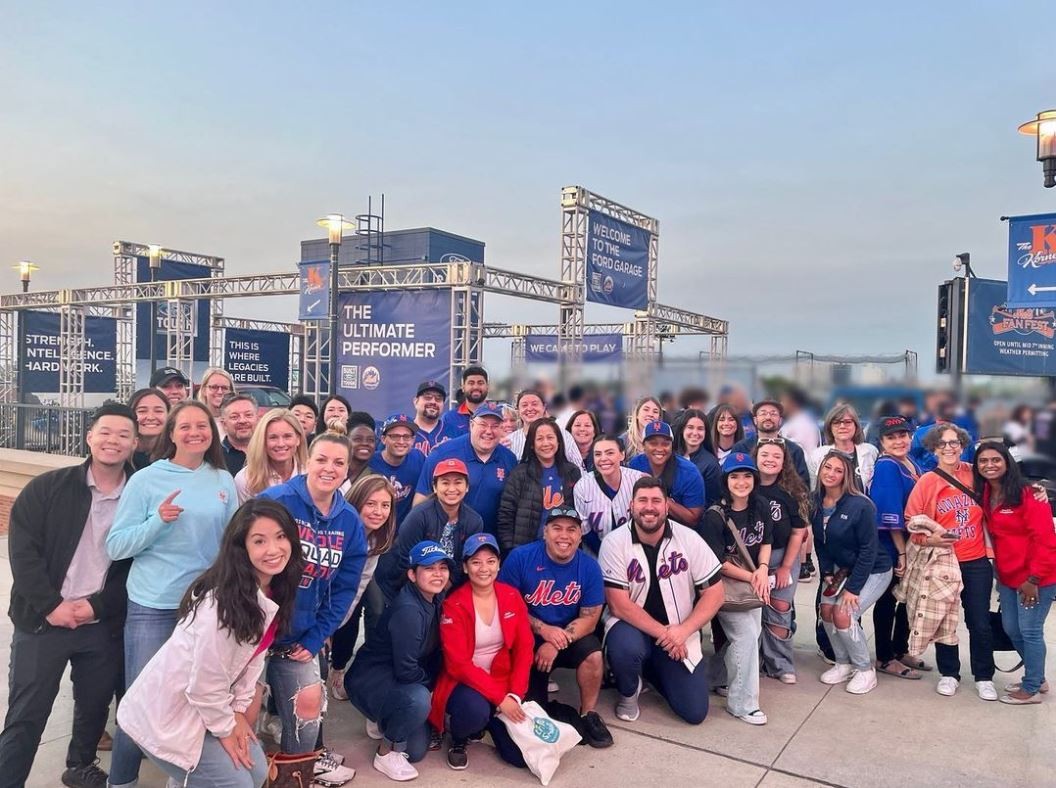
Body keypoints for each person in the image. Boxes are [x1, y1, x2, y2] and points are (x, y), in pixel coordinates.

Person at [115, 499, 303, 788]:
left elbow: (253, 662)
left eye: (281, 537)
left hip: (209, 707)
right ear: (242, 548)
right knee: (237, 783)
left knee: (256, 771)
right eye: (259, 540)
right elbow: (204, 684)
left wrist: (238, 714)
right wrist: (227, 729)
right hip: (168, 715)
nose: (274, 549)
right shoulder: (221, 605)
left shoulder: (273, 591)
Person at [0, 402, 136, 788]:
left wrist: (95, 606)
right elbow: (23, 552)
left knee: (93, 706)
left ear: (134, 443)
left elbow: (137, 567)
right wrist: (51, 606)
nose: (113, 440)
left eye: (123, 434)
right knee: (28, 712)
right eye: (105, 432)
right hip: (43, 622)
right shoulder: (48, 488)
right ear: (90, 436)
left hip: (99, 622)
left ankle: (80, 765)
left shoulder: (140, 497)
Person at [105, 400, 239, 788]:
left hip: (205, 607)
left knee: (198, 700)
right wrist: (156, 522)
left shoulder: (222, 479)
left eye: (203, 426)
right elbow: (117, 546)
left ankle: (181, 776)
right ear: (171, 433)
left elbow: (232, 543)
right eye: (185, 426)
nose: (195, 433)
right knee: (140, 704)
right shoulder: (147, 479)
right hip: (154, 605)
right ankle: (122, 781)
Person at [256, 426, 367, 780]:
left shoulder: (349, 521)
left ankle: (295, 774)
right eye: (321, 459)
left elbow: (345, 589)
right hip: (254, 633)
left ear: (348, 469)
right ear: (307, 460)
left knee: (308, 714)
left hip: (301, 636)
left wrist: (318, 636)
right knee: (242, 712)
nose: (329, 468)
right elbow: (239, 563)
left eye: (339, 462)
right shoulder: (275, 501)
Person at [600, 477, 725, 725]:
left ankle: (651, 669)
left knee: (694, 711)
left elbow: (716, 593)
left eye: (656, 500)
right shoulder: (614, 542)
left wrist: (684, 631)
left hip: (679, 629)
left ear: (667, 506)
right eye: (642, 500)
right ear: (631, 506)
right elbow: (618, 605)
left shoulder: (688, 538)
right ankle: (628, 692)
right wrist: (668, 635)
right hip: (632, 628)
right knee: (626, 648)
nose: (649, 507)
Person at [498, 508, 613, 747]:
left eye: (571, 529)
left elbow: (590, 619)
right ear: (545, 532)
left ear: (580, 535)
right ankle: (552, 707)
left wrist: (555, 640)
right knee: (535, 714)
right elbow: (505, 606)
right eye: (557, 528)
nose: (564, 536)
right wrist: (543, 631)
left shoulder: (589, 567)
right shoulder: (521, 558)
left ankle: (588, 714)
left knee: (593, 654)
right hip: (527, 638)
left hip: (567, 636)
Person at [346, 541, 450, 782]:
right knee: (419, 700)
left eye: (442, 567)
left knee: (414, 751)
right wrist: (430, 690)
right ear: (412, 574)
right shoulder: (409, 611)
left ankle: (386, 716)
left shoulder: (434, 598)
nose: (437, 574)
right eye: (429, 568)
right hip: (370, 680)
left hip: (394, 677)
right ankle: (385, 752)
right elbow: (406, 671)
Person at [429, 533, 535, 770]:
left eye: (490, 561)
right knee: (474, 711)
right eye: (476, 562)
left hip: (502, 677)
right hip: (465, 682)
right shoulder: (453, 604)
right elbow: (458, 664)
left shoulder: (511, 595)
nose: (483, 568)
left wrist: (515, 695)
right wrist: (499, 698)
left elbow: (524, 647)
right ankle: (458, 737)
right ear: (465, 568)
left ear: (499, 564)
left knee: (518, 758)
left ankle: (487, 722)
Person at [905, 423, 995, 700]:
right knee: (945, 622)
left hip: (976, 560)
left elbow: (1007, 487)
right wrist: (928, 541)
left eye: (954, 442)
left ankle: (984, 676)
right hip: (944, 562)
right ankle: (949, 673)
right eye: (942, 444)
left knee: (979, 622)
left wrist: (1036, 492)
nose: (949, 448)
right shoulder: (927, 481)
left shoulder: (974, 473)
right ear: (933, 449)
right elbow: (912, 522)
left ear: (962, 445)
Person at [974, 441, 1056, 704]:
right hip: (1008, 577)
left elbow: (1045, 539)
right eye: (983, 461)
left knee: (1030, 631)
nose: (990, 465)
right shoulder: (987, 491)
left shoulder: (1028, 493)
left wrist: (1033, 579)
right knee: (1011, 628)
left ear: (1007, 461)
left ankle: (1032, 687)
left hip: (1035, 578)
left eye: (995, 460)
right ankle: (1037, 676)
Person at [698, 453, 771, 724]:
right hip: (725, 585)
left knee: (750, 636)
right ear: (725, 481)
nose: (742, 482)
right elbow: (717, 564)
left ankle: (716, 677)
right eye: (735, 476)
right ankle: (742, 704)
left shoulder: (760, 505)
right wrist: (753, 577)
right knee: (746, 637)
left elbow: (767, 541)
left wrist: (762, 569)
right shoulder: (714, 516)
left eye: (747, 475)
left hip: (754, 579)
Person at [812, 451, 891, 695]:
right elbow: (820, 541)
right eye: (827, 467)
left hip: (873, 569)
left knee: (843, 613)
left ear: (846, 476)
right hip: (839, 568)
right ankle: (843, 662)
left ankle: (865, 669)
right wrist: (826, 571)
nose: (831, 474)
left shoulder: (860, 505)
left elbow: (869, 550)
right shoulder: (815, 501)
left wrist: (853, 589)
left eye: (838, 470)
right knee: (825, 610)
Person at [869, 416, 928, 680]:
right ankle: (885, 657)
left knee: (906, 600)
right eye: (891, 437)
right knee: (888, 601)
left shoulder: (910, 461)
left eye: (902, 435)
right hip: (892, 546)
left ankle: (900, 648)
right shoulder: (887, 466)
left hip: (912, 544)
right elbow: (889, 514)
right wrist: (901, 554)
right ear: (881, 442)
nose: (898, 441)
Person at [329, 475, 398, 701]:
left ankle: (338, 669)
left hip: (338, 605)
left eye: (385, 505)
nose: (378, 511)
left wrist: (334, 624)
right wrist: (323, 629)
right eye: (371, 504)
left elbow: (356, 589)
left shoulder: (375, 540)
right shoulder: (338, 533)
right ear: (356, 502)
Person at [379, 458, 484, 600]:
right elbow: (405, 559)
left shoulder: (474, 521)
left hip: (447, 588)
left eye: (458, 482)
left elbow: (464, 561)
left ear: (467, 487)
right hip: (404, 585)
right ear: (435, 487)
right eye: (445, 483)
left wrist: (443, 588)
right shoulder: (419, 515)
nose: (452, 489)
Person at [753, 439, 810, 682]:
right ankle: (753, 661)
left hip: (782, 556)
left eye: (776, 456)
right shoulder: (746, 485)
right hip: (751, 560)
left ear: (784, 462)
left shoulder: (790, 491)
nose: (770, 460)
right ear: (755, 457)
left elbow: (798, 532)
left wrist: (787, 566)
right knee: (752, 610)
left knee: (780, 609)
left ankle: (780, 664)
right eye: (764, 454)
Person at [415, 404, 517, 535]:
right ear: (471, 425)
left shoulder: (509, 459)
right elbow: (420, 501)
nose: (489, 431)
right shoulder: (443, 453)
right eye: (483, 424)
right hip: (447, 540)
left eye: (495, 426)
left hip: (489, 544)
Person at [497, 418, 582, 553]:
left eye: (550, 438)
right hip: (526, 551)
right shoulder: (519, 473)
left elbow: (580, 514)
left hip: (563, 550)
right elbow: (506, 516)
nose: (546, 443)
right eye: (539, 439)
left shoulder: (572, 472)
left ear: (558, 442)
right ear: (532, 444)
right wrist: (510, 550)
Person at [574, 435, 646, 555]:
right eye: (598, 454)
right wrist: (606, 554)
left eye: (609, 453)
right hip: (595, 550)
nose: (603, 458)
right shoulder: (583, 486)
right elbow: (585, 531)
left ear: (622, 455)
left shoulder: (638, 479)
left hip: (635, 549)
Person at [627, 421, 705, 526]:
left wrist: (658, 492)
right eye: (653, 443)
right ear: (643, 446)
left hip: (679, 532)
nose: (659, 448)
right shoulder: (635, 464)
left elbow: (694, 518)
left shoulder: (689, 472)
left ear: (672, 446)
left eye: (665, 444)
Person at [234, 408, 307, 504]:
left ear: (298, 439)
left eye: (287, 436)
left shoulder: (310, 473)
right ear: (262, 441)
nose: (281, 444)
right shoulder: (245, 479)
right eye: (273, 437)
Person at [731, 400, 810, 486]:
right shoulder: (741, 448)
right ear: (755, 420)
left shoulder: (794, 450)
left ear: (780, 420)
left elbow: (803, 486)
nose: (768, 417)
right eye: (763, 413)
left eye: (773, 414)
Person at [369, 414, 427, 525]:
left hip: (404, 531)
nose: (401, 441)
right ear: (383, 439)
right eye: (395, 436)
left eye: (406, 437)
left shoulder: (419, 458)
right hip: (375, 528)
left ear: (413, 439)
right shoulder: (371, 462)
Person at [807, 404, 879, 492]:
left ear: (856, 426)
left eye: (847, 422)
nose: (842, 426)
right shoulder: (817, 455)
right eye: (836, 422)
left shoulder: (871, 452)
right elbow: (813, 490)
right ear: (830, 428)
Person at [506, 390, 585, 469]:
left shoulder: (564, 435)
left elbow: (579, 469)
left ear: (544, 407)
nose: (529, 408)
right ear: (518, 410)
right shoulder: (510, 441)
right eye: (524, 405)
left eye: (534, 404)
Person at [672, 408, 722, 507]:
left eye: (700, 429)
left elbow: (712, 502)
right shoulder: (670, 456)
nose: (695, 433)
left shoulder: (711, 464)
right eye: (690, 427)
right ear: (682, 429)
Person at [440, 366, 490, 437]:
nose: (476, 387)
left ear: (487, 387)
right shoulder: (449, 418)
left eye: (480, 383)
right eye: (471, 383)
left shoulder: (498, 416)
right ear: (463, 388)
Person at [128, 387, 169, 470]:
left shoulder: (178, 456)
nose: (151, 417)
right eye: (142, 411)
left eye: (158, 411)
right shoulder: (120, 455)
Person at [220, 393, 260, 477]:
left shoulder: (270, 451)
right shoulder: (214, 457)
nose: (242, 421)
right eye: (235, 417)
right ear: (224, 424)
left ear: (257, 419)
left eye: (248, 415)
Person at [341, 412, 378, 493]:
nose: (365, 443)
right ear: (346, 440)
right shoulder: (332, 473)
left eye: (370, 440)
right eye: (357, 439)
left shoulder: (377, 481)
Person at [412, 379, 449, 456]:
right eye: (427, 397)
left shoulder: (455, 432)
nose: (433, 402)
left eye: (438, 399)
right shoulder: (403, 433)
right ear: (416, 401)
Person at [779, 387, 821, 453]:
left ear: (792, 403)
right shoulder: (792, 422)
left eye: (784, 401)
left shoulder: (804, 425)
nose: (781, 404)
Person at [621, 396, 662, 461]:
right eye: (646, 410)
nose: (650, 414)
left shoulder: (663, 442)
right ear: (637, 414)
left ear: (659, 418)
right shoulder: (623, 440)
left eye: (655, 411)